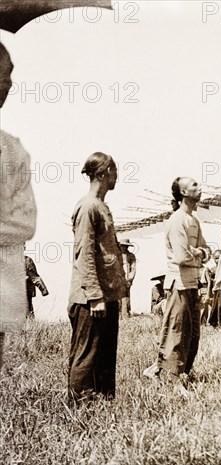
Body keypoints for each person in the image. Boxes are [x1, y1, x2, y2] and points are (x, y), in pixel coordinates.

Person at [67, 152, 127, 400]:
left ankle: (103, 406)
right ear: (103, 173)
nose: (117, 176)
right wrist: (94, 296)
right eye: (114, 170)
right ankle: (80, 408)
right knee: (87, 355)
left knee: (104, 355)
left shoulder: (100, 206)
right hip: (90, 299)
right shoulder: (88, 206)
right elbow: (85, 255)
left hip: (106, 294)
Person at [146, 177, 207, 386]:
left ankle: (179, 374)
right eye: (194, 186)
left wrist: (198, 253)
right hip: (178, 285)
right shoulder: (176, 220)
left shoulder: (194, 221)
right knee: (176, 332)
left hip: (192, 284)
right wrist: (199, 254)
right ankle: (170, 379)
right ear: (183, 192)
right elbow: (181, 257)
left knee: (192, 335)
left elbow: (207, 251)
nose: (200, 188)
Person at [0, 41, 37, 372]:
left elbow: (25, 222)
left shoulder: (12, 151)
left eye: (9, 75)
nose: (7, 84)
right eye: (1, 75)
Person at [24, 251, 49, 319]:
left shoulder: (26, 260)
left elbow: (34, 277)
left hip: (25, 293)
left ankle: (31, 327)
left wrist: (43, 289)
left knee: (28, 313)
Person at [119, 238, 137, 319]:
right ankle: (118, 317)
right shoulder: (116, 255)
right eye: (122, 246)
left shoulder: (131, 256)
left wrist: (130, 279)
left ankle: (126, 316)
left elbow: (133, 269)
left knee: (126, 297)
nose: (124, 248)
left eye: (125, 246)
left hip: (126, 279)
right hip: (117, 279)